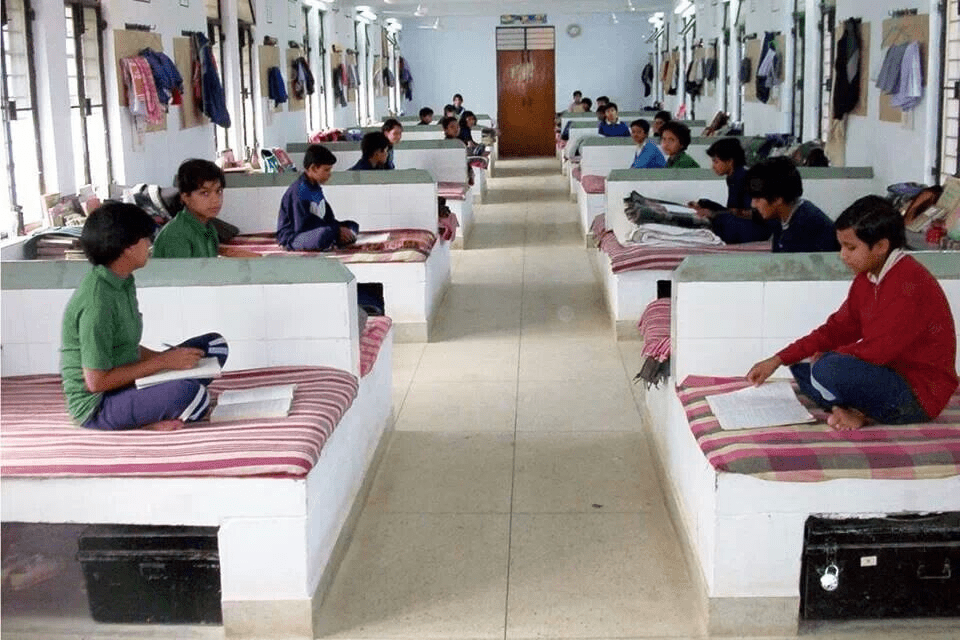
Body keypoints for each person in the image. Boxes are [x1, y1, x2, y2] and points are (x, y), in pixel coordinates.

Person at [747, 195, 958, 430]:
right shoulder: (867, 278)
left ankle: (850, 409)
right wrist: (777, 359)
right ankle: (846, 411)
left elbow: (879, 350)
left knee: (827, 367)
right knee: (800, 364)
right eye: (842, 247)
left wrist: (829, 357)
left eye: (851, 248)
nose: (842, 255)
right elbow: (836, 329)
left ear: (881, 246)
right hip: (886, 374)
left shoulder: (910, 283)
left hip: (918, 395)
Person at [60, 202, 229, 431]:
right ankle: (146, 421)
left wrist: (166, 359)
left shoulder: (122, 281)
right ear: (127, 247)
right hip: (99, 405)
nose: (150, 245)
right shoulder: (97, 302)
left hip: (125, 382)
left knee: (215, 346)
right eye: (146, 239)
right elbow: (96, 382)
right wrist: (162, 363)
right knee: (195, 396)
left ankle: (154, 402)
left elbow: (124, 346)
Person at [689, 137, 774, 243]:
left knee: (720, 221)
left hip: (758, 227)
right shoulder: (733, 177)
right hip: (742, 221)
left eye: (716, 162)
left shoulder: (743, 177)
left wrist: (714, 214)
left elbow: (752, 213)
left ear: (730, 161)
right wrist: (707, 207)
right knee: (705, 203)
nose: (713, 166)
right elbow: (733, 210)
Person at [746, 156, 839, 253]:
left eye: (757, 199)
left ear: (778, 198)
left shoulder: (806, 227)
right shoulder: (782, 218)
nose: (753, 204)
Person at [277, 144, 358, 251]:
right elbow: (303, 225)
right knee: (325, 234)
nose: (329, 174)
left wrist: (339, 228)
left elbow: (328, 217)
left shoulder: (316, 188)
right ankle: (333, 239)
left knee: (352, 225)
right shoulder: (299, 191)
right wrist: (336, 230)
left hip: (318, 229)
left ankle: (334, 239)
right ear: (313, 168)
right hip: (295, 236)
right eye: (326, 170)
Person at [152, 159, 224, 258]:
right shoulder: (177, 235)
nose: (215, 200)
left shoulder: (209, 228)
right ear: (185, 197)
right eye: (205, 193)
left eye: (218, 191)